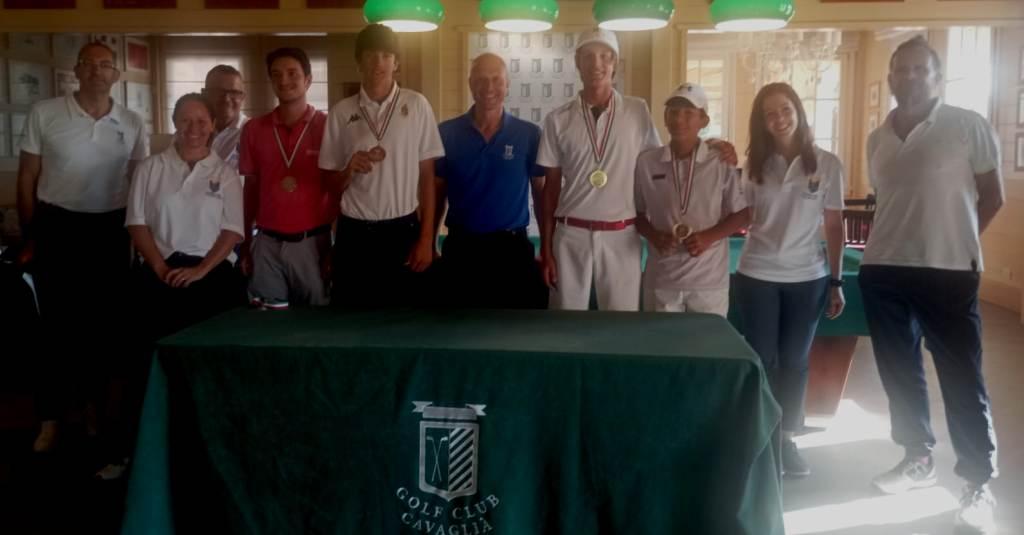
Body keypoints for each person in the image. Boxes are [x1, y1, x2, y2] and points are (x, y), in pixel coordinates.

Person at [861, 36, 1003, 534]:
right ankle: (917, 457)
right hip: (882, 269)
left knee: (962, 377)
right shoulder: (877, 138)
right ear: (890, 78)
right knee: (900, 373)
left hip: (948, 273)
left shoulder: (968, 125)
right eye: (901, 69)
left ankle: (978, 483)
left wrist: (957, 242)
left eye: (920, 69)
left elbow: (993, 197)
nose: (910, 77)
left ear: (937, 77)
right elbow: (890, 200)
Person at [15, 41, 149, 453]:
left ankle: (94, 413)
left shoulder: (132, 121)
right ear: (76, 70)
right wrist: (30, 235)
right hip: (57, 227)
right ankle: (50, 419)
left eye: (105, 65)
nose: (96, 70)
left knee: (103, 330)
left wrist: (138, 239)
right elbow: (27, 177)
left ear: (116, 75)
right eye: (88, 63)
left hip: (110, 230)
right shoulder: (45, 112)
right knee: (54, 329)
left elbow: (139, 183)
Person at [117, 93, 245, 479]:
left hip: (212, 277)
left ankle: (214, 449)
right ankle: (142, 454)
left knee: (212, 366)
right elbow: (137, 222)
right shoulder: (151, 168)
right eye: (186, 120)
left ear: (213, 125)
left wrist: (202, 270)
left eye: (202, 121)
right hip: (160, 274)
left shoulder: (224, 172)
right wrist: (159, 267)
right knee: (147, 364)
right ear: (174, 122)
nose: (194, 129)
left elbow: (233, 230)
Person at [734, 82, 846, 478]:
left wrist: (836, 282)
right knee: (763, 359)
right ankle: (762, 435)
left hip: (808, 277)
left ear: (798, 110)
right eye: (770, 113)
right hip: (757, 273)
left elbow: (834, 225)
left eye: (785, 109)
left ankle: (787, 440)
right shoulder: (753, 165)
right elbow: (743, 215)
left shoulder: (827, 164)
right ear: (761, 122)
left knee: (795, 362)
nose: (779, 118)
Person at [319, 24, 444, 307]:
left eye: (386, 55)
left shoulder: (417, 105)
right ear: (359, 61)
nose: (378, 63)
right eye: (370, 55)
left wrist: (427, 239)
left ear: (396, 63)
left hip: (403, 230)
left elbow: (427, 177)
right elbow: (329, 185)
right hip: (354, 233)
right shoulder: (341, 112)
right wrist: (348, 170)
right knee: (352, 316)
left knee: (406, 317)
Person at [537, 28, 661, 311]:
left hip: (622, 234)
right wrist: (546, 248)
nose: (597, 64)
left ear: (615, 62)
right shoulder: (558, 119)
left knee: (621, 322)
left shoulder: (637, 111)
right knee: (566, 321)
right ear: (577, 63)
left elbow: (658, 164)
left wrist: (710, 145)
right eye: (589, 56)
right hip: (571, 234)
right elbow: (550, 189)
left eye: (605, 56)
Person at [434, 53, 546, 309]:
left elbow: (540, 194)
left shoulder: (529, 134)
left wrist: (547, 248)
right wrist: (428, 243)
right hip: (462, 249)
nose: (489, 87)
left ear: (508, 85)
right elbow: (437, 193)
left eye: (496, 79)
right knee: (458, 329)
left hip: (512, 251)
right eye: (481, 79)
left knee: (513, 329)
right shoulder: (446, 133)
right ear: (470, 83)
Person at [634, 83, 749, 317]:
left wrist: (709, 237)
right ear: (665, 118)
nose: (679, 119)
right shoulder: (647, 162)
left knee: (707, 342)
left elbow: (743, 213)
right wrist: (654, 236)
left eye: (689, 113)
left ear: (704, 121)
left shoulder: (720, 162)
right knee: (660, 340)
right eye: (673, 112)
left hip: (708, 281)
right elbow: (635, 213)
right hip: (662, 279)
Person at [238, 48, 332, 309]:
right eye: (276, 74)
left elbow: (339, 191)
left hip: (312, 243)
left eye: (292, 73)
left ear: (308, 80)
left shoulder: (327, 127)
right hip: (266, 243)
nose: (284, 80)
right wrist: (246, 243)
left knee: (315, 320)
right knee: (268, 319)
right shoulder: (253, 129)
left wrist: (334, 248)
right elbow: (250, 190)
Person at [203, 64, 247, 171]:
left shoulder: (255, 133)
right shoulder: (191, 131)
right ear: (204, 94)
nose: (226, 99)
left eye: (234, 92)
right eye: (218, 92)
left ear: (242, 97)